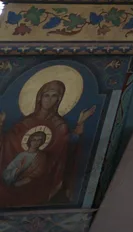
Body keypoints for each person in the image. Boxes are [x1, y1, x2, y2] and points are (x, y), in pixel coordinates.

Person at [0, 78, 96, 207]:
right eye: (46, 95)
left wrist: (80, 125)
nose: (49, 99)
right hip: (16, 173)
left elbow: (66, 147)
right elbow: (8, 142)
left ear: (59, 99)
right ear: (40, 97)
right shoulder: (26, 122)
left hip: (42, 177)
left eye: (54, 96)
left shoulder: (60, 125)